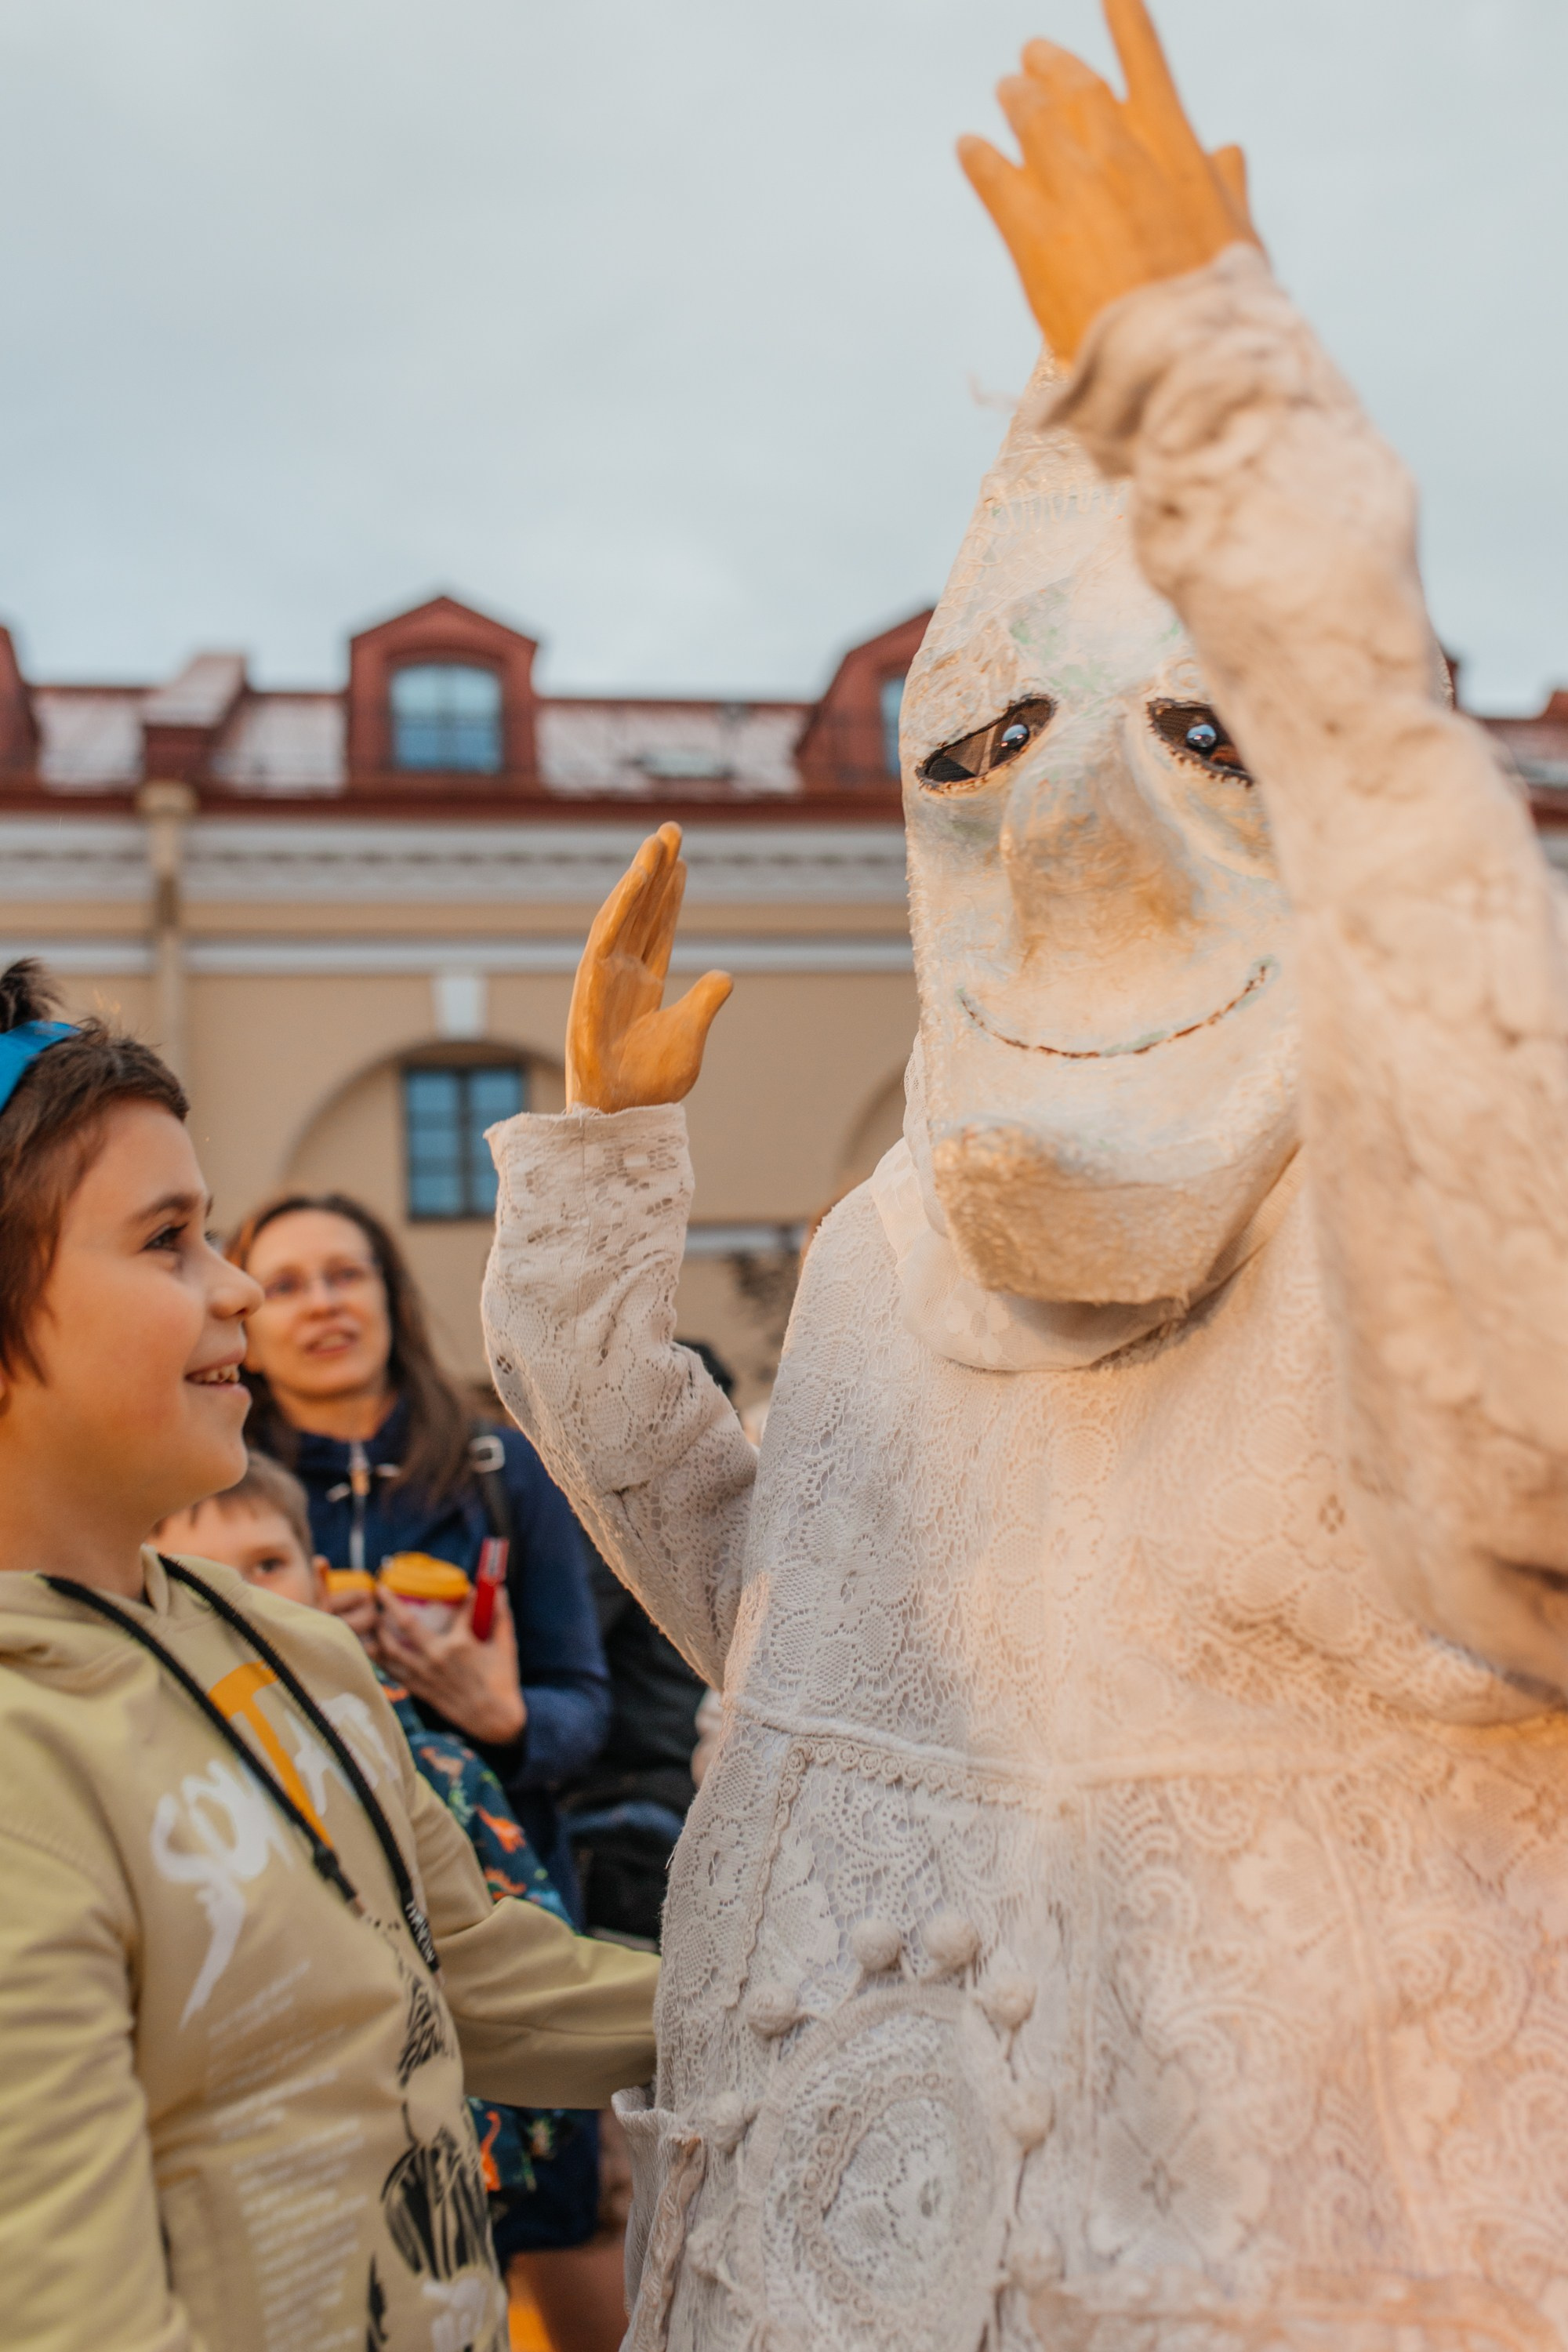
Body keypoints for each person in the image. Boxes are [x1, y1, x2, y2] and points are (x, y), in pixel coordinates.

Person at [476, 7, 1568, 2348]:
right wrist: (583, 1221)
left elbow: (1527, 1479)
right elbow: (798, 1623)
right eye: (987, 741)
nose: (1070, 810)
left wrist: (1246, 465)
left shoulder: (1425, 1173)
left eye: (1192, 727)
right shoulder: (895, 1235)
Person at [0, 959, 656, 2352]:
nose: (237, 1289)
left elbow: (478, 1979)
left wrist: (816, 1992)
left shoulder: (292, 1647)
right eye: (168, 1239)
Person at [227, 1191, 624, 2328]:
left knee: (536, 2211)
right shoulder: (215, 1477)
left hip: (496, 1895)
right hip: (300, 1915)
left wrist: (499, 1716)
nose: (320, 1306)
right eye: (286, 1284)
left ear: (391, 1294)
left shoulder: (503, 1468)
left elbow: (582, 1711)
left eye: (343, 1276)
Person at [154, 1453, 585, 2267]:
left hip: (453, 2164)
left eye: (269, 1565)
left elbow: (522, 1945)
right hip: (269, 2191)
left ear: (322, 1581)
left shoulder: (427, 1766)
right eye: (203, 1577)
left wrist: (512, 2130)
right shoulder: (161, 1789)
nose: (246, 1596)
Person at [561, 1339, 725, 1950]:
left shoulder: (621, 1510)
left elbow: (567, 1642)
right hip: (693, 1788)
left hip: (638, 1800)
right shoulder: (731, 1493)